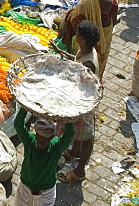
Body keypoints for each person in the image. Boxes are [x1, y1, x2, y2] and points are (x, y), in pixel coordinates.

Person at [52, 19, 100, 183]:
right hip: (79, 100)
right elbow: (76, 60)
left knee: (86, 136)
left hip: (83, 103)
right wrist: (61, 52)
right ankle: (75, 153)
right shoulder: (86, 51)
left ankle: (79, 171)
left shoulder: (88, 64)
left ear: (83, 39)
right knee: (80, 133)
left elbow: (79, 80)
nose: (75, 36)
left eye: (78, 34)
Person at [13, 108, 75, 205]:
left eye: (45, 140)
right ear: (36, 134)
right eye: (39, 138)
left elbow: (69, 133)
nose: (41, 142)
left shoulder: (56, 147)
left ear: (51, 138)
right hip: (25, 189)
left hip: (46, 193)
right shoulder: (30, 141)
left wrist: (66, 116)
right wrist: (25, 107)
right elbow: (18, 124)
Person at [59, 0, 118, 78]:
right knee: (101, 58)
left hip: (88, 35)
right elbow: (114, 20)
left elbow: (75, 21)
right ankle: (98, 77)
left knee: (86, 59)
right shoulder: (113, 2)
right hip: (106, 34)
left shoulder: (85, 3)